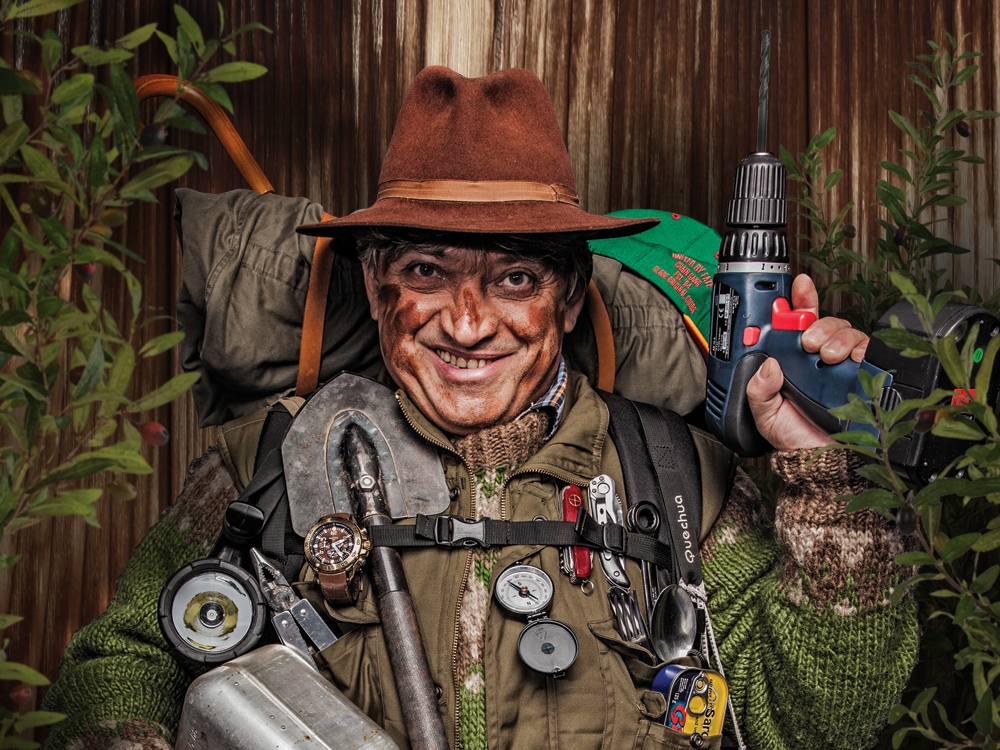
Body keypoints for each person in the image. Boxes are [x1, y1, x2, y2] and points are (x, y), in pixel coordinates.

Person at [42, 66, 917, 750]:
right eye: (426, 271)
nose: (467, 324)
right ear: (376, 288)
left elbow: (815, 726)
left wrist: (830, 477)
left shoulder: (676, 478)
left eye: (515, 278)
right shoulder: (268, 464)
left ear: (568, 299)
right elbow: (121, 663)